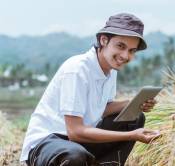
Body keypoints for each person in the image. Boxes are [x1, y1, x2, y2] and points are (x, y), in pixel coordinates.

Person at [20, 13, 160, 166]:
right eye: (120, 46)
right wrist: (131, 135)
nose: (125, 55)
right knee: (74, 155)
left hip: (77, 142)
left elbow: (101, 109)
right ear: (103, 40)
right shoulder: (77, 70)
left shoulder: (110, 69)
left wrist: (133, 103)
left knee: (134, 118)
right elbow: (75, 132)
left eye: (132, 51)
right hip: (48, 144)